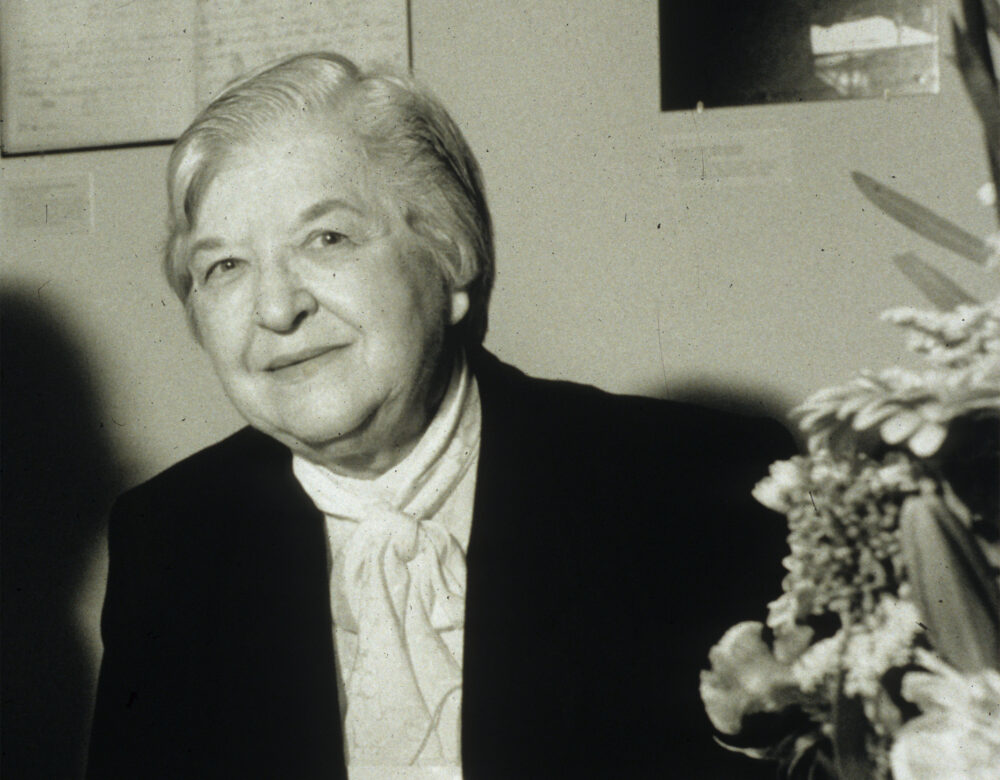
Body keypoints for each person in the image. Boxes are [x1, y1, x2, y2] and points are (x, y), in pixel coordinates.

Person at [87, 52, 793, 779]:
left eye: (326, 238)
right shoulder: (172, 539)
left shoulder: (697, 483)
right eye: (223, 267)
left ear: (451, 260)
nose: (276, 308)